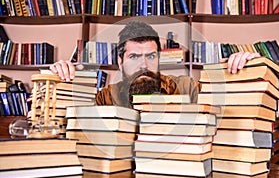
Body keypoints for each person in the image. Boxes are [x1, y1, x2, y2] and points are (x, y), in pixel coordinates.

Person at [50, 21, 260, 108]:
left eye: (151, 56)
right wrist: (57, 82)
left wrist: (244, 67)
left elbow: (232, 106)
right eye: (134, 57)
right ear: (119, 62)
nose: (144, 65)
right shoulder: (105, 97)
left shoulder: (187, 88)